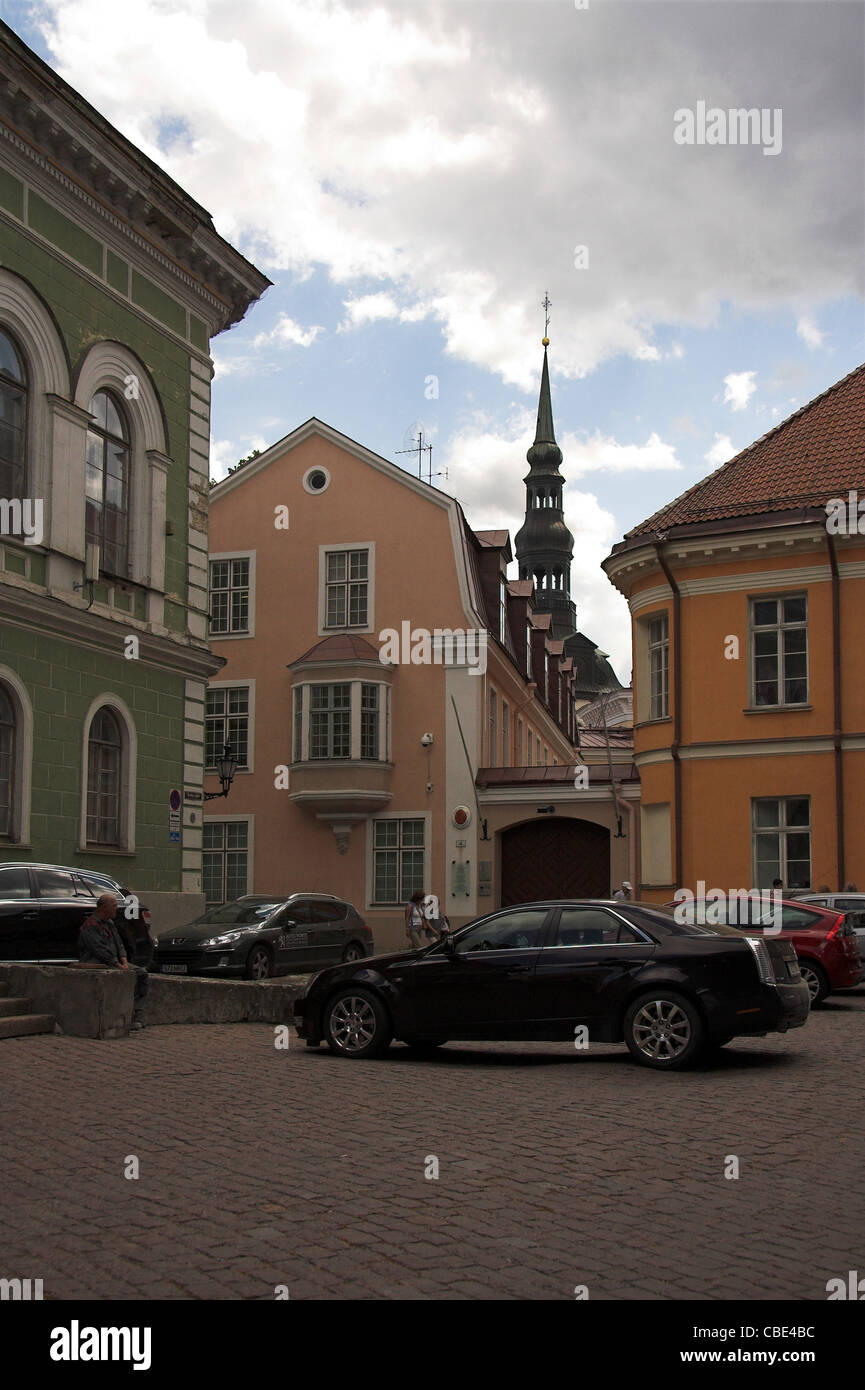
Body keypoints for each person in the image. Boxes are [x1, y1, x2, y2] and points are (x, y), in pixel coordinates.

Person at [78, 892, 149, 1030]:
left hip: (115, 962)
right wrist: (119, 965)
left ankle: (137, 1014)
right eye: (114, 905)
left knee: (141, 974)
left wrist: (124, 962)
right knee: (121, 975)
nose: (117, 908)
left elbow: (119, 944)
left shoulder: (110, 924)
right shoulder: (91, 926)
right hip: (98, 963)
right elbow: (100, 951)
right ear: (103, 908)